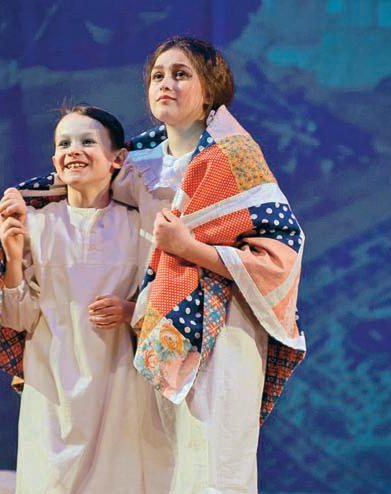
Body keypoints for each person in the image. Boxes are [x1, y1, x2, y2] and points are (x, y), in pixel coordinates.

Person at [111, 36, 308, 493]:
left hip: (225, 328)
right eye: (158, 75)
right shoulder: (137, 160)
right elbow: (81, 188)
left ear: (209, 93)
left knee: (217, 462)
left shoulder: (232, 156)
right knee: (170, 465)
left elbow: (282, 250)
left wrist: (188, 246)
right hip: (159, 323)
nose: (166, 83)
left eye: (181, 74)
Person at [0, 105, 165, 493]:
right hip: (51, 390)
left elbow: (163, 299)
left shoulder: (140, 227)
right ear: (54, 161)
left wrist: (130, 311)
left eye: (87, 141)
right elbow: (18, 318)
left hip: (120, 389)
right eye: (64, 143)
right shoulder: (35, 223)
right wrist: (13, 257)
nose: (73, 150)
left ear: (117, 159)